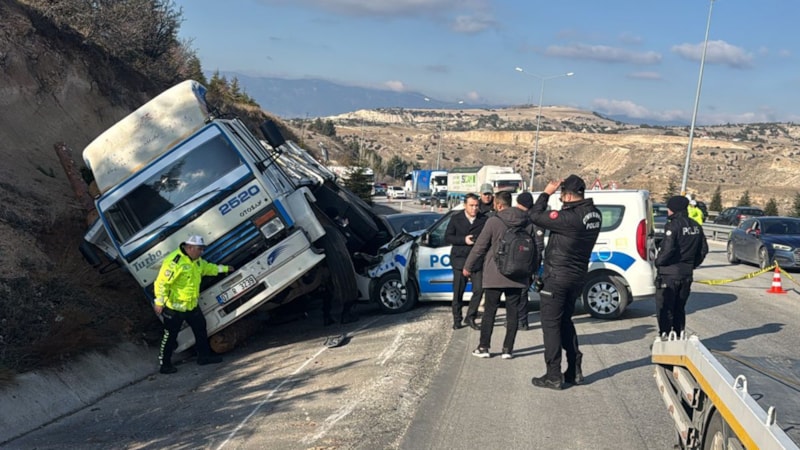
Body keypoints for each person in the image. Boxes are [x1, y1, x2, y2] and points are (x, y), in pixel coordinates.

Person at [527, 175, 601, 390]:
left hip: (557, 277)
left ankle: (553, 375)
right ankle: (574, 370)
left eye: (561, 195)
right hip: (577, 277)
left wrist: (546, 193)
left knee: (550, 325)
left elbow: (534, 215)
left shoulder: (570, 217)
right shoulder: (594, 214)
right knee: (565, 322)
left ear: (568, 195)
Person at [463, 191, 535, 359]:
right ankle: (508, 349)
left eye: (495, 204)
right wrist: (530, 272)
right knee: (513, 313)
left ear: (500, 205)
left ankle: (484, 347)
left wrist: (468, 266)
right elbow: (535, 249)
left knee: (490, 312)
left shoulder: (494, 221)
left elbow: (479, 247)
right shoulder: (527, 222)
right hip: (518, 275)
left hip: (495, 274)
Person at [154, 235, 233, 374]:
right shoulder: (174, 262)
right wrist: (159, 302)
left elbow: (207, 268)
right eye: (199, 249)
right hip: (175, 308)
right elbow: (162, 283)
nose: (201, 252)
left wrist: (225, 269)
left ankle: (204, 357)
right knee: (170, 336)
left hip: (191, 305)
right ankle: (165, 364)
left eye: (202, 249)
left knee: (201, 328)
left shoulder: (196, 261)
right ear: (189, 248)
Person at [655, 195, 708, 337]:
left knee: (665, 307)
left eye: (669, 208)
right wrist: (692, 264)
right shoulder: (696, 226)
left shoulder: (673, 226)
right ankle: (679, 335)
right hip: (686, 274)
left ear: (674, 209)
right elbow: (703, 250)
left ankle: (665, 336)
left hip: (669, 274)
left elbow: (668, 249)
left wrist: (658, 262)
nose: (667, 210)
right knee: (680, 307)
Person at [445, 193, 487, 330]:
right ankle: (457, 319)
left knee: (479, 290)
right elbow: (448, 237)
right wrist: (463, 240)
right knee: (458, 292)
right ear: (465, 205)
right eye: (471, 205)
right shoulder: (456, 219)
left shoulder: (484, 219)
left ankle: (471, 317)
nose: (474, 208)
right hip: (459, 260)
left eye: (476, 206)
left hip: (477, 261)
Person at [515, 191, 545, 331]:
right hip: (523, 260)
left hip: (527, 261)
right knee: (519, 291)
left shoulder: (532, 219)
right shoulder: (527, 217)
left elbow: (539, 244)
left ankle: (522, 321)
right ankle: (518, 319)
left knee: (521, 292)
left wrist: (535, 265)